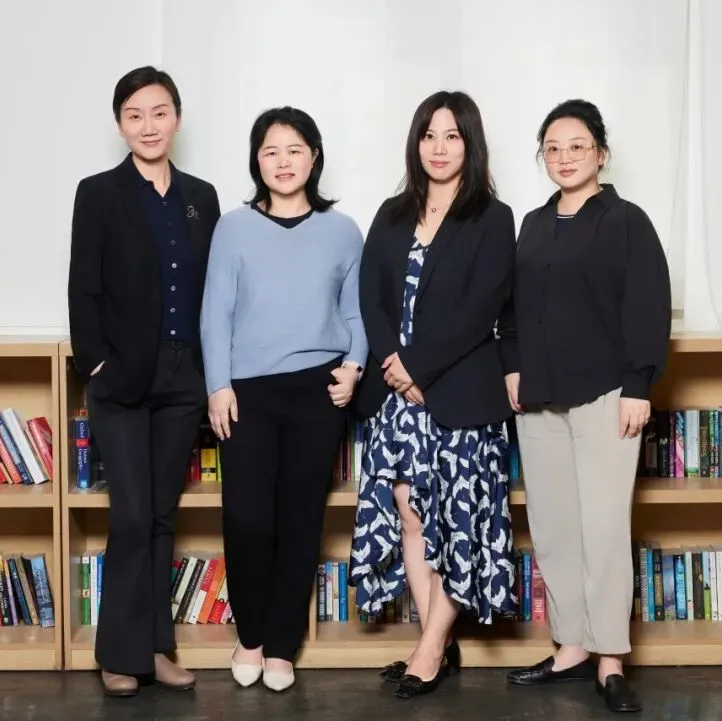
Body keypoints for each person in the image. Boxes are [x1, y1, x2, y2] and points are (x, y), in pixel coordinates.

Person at [498, 99, 672, 714]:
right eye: (553, 148)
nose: (565, 157)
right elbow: (510, 309)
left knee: (603, 529)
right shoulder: (532, 224)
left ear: (601, 152)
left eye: (577, 146)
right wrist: (512, 366)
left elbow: (648, 306)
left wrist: (638, 386)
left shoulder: (627, 222)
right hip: (539, 399)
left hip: (606, 396)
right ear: (542, 158)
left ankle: (610, 659)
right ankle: (570, 647)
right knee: (554, 530)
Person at [348, 90, 518, 700]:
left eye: (452, 136)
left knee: (459, 518)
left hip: (461, 391)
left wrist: (418, 367)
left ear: (470, 144)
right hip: (396, 394)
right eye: (429, 135)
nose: (439, 147)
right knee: (409, 510)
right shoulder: (393, 212)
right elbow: (370, 295)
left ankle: (428, 650)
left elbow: (482, 308)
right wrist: (396, 368)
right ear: (415, 142)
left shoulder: (493, 217)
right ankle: (436, 642)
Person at [201, 106, 367, 693]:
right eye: (270, 151)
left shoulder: (343, 231)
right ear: (257, 161)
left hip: (317, 391)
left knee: (300, 520)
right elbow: (215, 312)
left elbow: (356, 312)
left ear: (314, 157)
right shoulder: (233, 228)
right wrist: (217, 385)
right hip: (246, 393)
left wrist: (355, 367)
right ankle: (249, 636)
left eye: (295, 150)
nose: (283, 162)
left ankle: (281, 646)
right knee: (248, 519)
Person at [67, 66, 221, 698]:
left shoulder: (201, 197)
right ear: (120, 124)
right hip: (122, 378)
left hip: (184, 376)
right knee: (130, 515)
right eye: (135, 115)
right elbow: (83, 285)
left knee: (161, 516)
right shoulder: (98, 193)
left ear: (176, 118)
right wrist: (95, 363)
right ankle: (119, 654)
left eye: (159, 113)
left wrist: (211, 372)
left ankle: (156, 649)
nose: (148, 126)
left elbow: (214, 287)